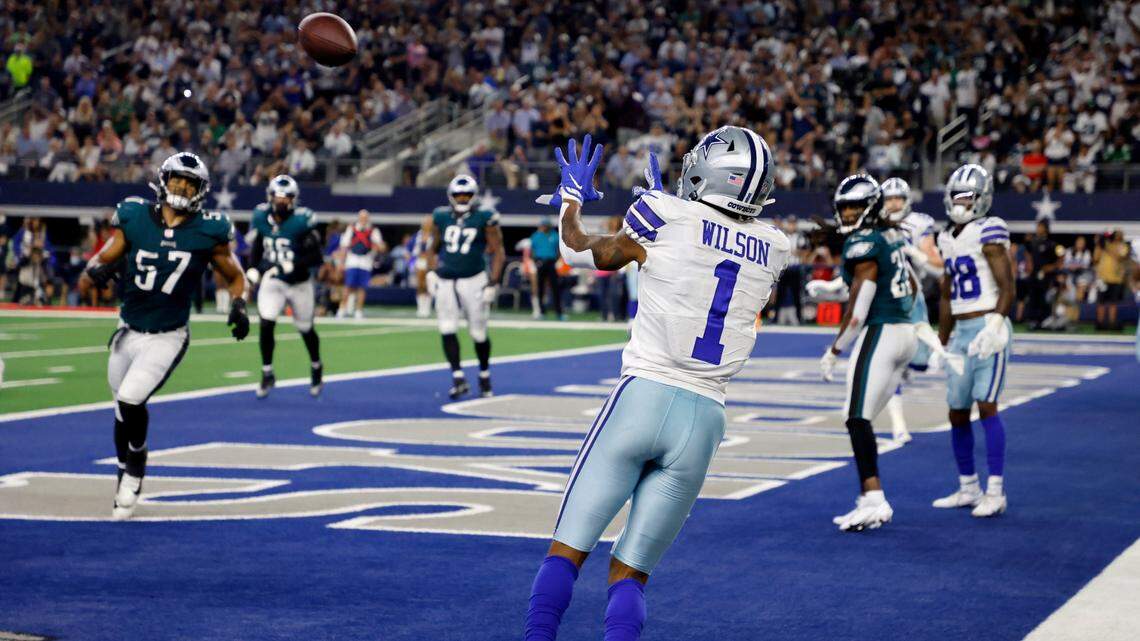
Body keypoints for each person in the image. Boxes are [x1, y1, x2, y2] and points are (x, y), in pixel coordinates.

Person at [524, 129, 790, 641]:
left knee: (567, 551)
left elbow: (578, 251)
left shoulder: (662, 213)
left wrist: (571, 200)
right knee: (631, 574)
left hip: (644, 396)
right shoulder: (777, 246)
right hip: (705, 417)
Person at [78, 151, 249, 520]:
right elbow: (97, 264)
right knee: (120, 411)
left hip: (167, 335)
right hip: (127, 330)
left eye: (190, 183)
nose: (182, 187)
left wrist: (239, 304)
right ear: (164, 180)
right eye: (177, 180)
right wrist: (95, 271)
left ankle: (136, 463)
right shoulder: (135, 215)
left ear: (201, 190)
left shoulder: (208, 230)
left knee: (131, 399)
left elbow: (236, 276)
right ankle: (123, 473)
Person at [819, 175, 918, 532]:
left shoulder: (863, 242)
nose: (848, 213)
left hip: (881, 331)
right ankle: (868, 497)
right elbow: (909, 284)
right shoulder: (889, 235)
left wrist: (835, 350)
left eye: (855, 207)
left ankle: (874, 498)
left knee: (856, 417)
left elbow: (859, 310)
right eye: (844, 207)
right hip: (905, 330)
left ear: (871, 207)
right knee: (862, 418)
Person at [934, 164, 1015, 518]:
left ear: (982, 199)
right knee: (956, 411)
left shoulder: (989, 229)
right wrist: (941, 340)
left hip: (987, 325)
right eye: (956, 196)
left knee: (987, 406)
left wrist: (995, 324)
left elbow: (1008, 286)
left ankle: (995, 491)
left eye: (967, 197)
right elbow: (947, 293)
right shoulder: (945, 237)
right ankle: (968, 487)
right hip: (962, 330)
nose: (960, 203)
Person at [421, 174, 505, 399]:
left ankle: (484, 375)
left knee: (478, 332)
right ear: (451, 196)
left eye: (467, 195)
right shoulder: (440, 216)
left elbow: (498, 251)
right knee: (447, 327)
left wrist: (493, 282)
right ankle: (458, 377)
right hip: (446, 279)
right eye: (459, 195)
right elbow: (432, 247)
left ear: (474, 195)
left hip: (474, 279)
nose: (462, 198)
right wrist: (430, 271)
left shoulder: (485, 216)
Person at [246, 174, 325, 399]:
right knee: (266, 321)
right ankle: (267, 371)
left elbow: (316, 257)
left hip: (299, 282)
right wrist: (253, 269)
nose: (281, 201)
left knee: (305, 328)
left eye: (286, 197)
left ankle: (316, 365)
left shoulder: (302, 220)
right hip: (274, 279)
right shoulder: (261, 217)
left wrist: (293, 264)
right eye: (277, 196)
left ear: (293, 199)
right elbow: (258, 247)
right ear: (270, 197)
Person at [337, 209, 386, 319]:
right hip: (352, 260)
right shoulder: (351, 228)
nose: (363, 220)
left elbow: (381, 246)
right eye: (362, 218)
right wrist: (341, 262)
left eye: (365, 218)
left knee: (362, 288)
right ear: (359, 218)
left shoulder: (373, 231)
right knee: (348, 286)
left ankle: (358, 310)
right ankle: (342, 309)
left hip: (366, 261)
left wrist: (379, 246)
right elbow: (344, 246)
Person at [530, 216, 562, 319]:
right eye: (543, 225)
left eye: (545, 225)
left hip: (551, 263)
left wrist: (556, 260)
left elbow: (559, 250)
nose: (544, 227)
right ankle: (542, 312)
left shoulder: (555, 235)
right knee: (540, 288)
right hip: (540, 262)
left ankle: (559, 313)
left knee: (555, 287)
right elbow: (532, 250)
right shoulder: (536, 236)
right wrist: (535, 261)